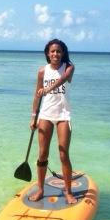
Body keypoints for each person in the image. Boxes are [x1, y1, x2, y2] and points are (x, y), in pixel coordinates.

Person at [28, 38, 77, 204]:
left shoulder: (69, 67)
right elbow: (37, 95)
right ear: (48, 54)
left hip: (63, 115)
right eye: (52, 51)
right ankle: (41, 189)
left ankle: (69, 192)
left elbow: (63, 79)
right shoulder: (42, 71)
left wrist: (48, 89)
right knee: (42, 154)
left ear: (63, 53)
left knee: (63, 154)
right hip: (46, 115)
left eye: (58, 51)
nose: (55, 54)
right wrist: (33, 118)